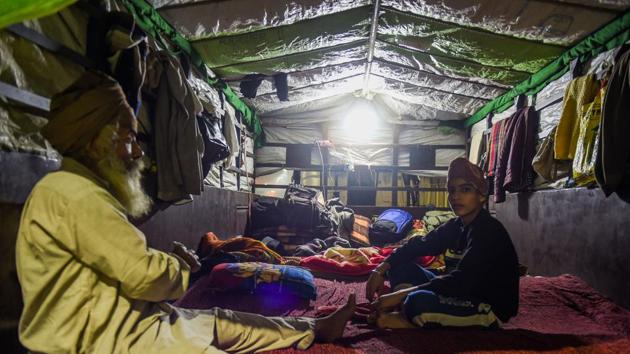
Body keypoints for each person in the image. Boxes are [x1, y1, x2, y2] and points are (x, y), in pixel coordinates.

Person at [15, 70, 355, 354]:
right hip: (100, 342)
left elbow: (123, 265)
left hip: (124, 323)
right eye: (131, 137)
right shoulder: (74, 194)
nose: (138, 152)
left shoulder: (71, 189)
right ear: (97, 141)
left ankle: (312, 327)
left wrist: (178, 264)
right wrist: (184, 266)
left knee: (221, 320)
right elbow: (146, 278)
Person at [365, 158, 519, 329]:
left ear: (481, 194)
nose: (456, 196)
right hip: (459, 293)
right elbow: (417, 245)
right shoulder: (456, 225)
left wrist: (400, 295)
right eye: (451, 190)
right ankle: (406, 310)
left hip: (486, 304)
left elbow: (461, 281)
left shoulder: (488, 231)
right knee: (399, 266)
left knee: (418, 302)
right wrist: (379, 269)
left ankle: (404, 316)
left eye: (465, 189)